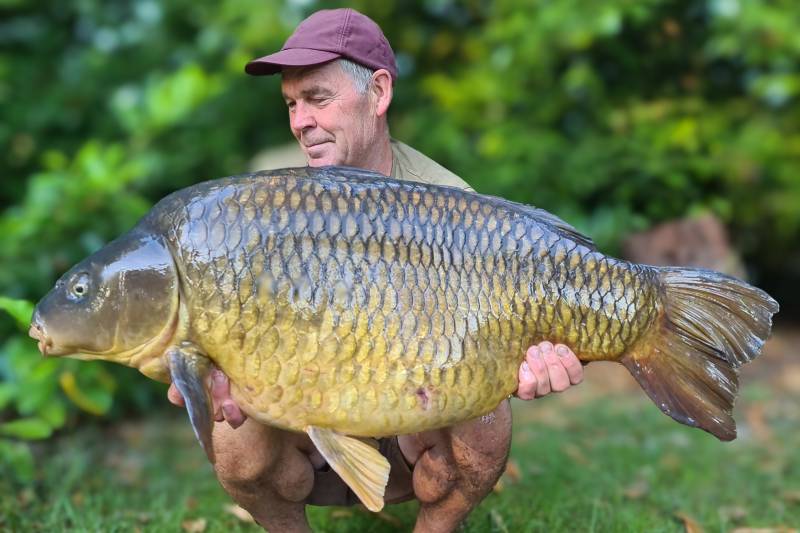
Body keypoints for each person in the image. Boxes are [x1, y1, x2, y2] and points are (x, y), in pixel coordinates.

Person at [168, 8, 584, 532]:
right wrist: (202, 367)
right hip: (303, 428)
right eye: (292, 103)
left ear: (379, 92)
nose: (300, 122)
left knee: (487, 421)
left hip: (412, 424)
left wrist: (537, 358)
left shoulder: (450, 203)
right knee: (231, 437)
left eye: (318, 98)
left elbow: (503, 328)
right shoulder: (265, 201)